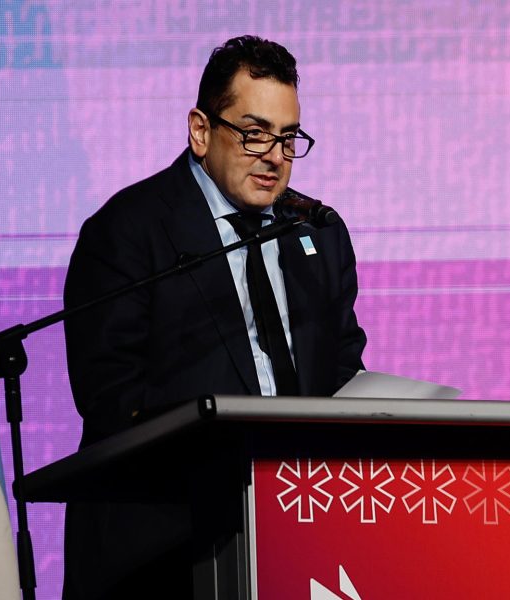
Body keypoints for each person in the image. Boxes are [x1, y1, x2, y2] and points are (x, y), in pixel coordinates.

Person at [62, 35, 367, 598]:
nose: (274, 156)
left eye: (288, 137)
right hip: (162, 550)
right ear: (201, 130)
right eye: (253, 133)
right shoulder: (129, 230)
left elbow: (344, 370)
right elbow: (109, 396)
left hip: (295, 540)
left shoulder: (318, 234)